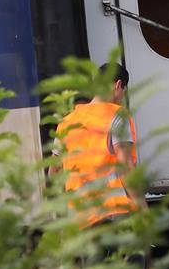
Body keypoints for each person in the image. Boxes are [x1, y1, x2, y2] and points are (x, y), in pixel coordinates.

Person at [56, 63, 139, 226]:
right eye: (123, 92)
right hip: (112, 212)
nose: (122, 97)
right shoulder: (117, 116)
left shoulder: (66, 122)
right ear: (118, 85)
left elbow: (54, 173)